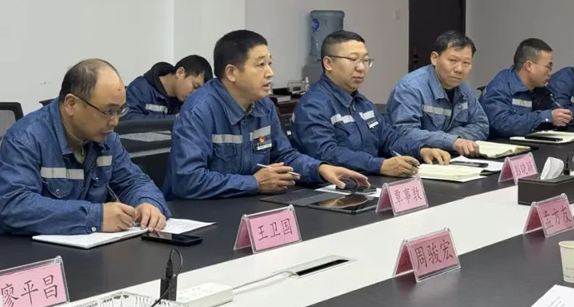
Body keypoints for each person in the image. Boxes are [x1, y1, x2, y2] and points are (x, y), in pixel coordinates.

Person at [164, 30, 369, 199]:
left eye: (270, 63)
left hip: (248, 204)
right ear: (232, 72)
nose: (270, 72)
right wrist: (254, 183)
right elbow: (187, 180)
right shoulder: (199, 110)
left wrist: (320, 169)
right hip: (200, 214)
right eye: (261, 65)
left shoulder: (264, 106)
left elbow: (283, 156)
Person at [0, 59, 170, 237]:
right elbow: (15, 205)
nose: (115, 121)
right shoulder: (25, 138)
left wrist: (148, 204)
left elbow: (132, 181)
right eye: (108, 111)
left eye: (120, 111)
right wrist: (96, 217)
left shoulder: (107, 139)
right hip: (8, 251)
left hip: (73, 246)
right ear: (71, 104)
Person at [293, 30, 450, 176]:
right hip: (332, 187)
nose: (361, 68)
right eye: (353, 60)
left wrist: (421, 150)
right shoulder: (312, 106)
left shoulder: (362, 103)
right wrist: (380, 165)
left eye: (366, 60)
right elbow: (327, 153)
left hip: (368, 180)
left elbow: (390, 138)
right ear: (328, 63)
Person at [386, 31, 489, 156]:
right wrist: (451, 141)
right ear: (434, 58)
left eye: (466, 63)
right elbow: (404, 132)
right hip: (415, 158)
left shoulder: (463, 88)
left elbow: (481, 125)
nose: (459, 69)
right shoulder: (410, 87)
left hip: (450, 157)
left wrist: (454, 139)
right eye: (452, 60)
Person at [482, 39, 572, 137]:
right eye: (548, 67)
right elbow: (503, 123)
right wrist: (546, 117)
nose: (550, 73)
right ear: (529, 66)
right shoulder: (500, 86)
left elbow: (551, 116)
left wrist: (560, 117)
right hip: (500, 143)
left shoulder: (541, 90)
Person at [124, 55, 213, 121]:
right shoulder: (140, 89)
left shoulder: (186, 102)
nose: (194, 94)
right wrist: (174, 119)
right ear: (180, 72)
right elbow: (127, 120)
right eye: (195, 86)